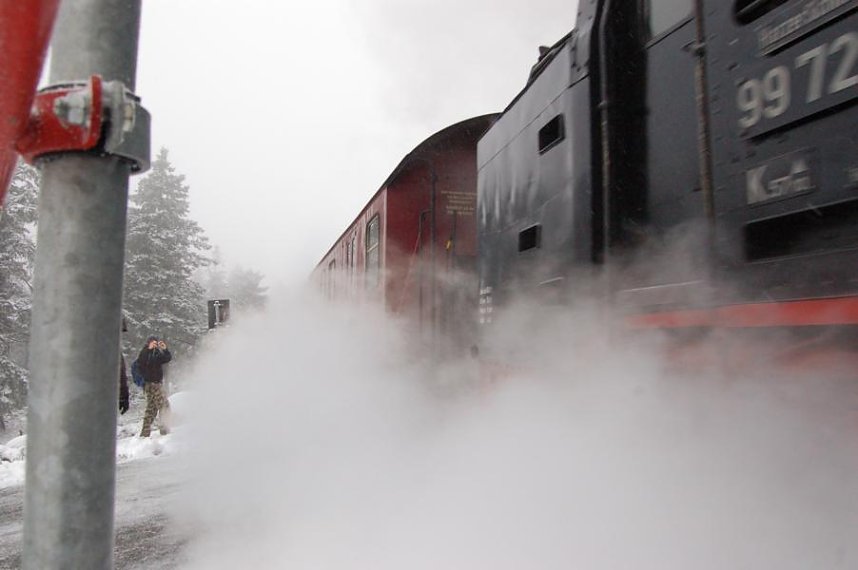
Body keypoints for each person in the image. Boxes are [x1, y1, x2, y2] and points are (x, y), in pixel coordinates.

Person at [136, 336, 172, 437]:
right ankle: (165, 431)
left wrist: (164, 349)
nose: (155, 345)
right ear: (148, 343)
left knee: (151, 409)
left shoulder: (156, 354)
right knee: (164, 405)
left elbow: (167, 358)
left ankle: (145, 434)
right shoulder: (144, 353)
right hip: (151, 384)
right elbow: (141, 362)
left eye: (156, 343)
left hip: (157, 383)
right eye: (153, 343)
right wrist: (148, 349)